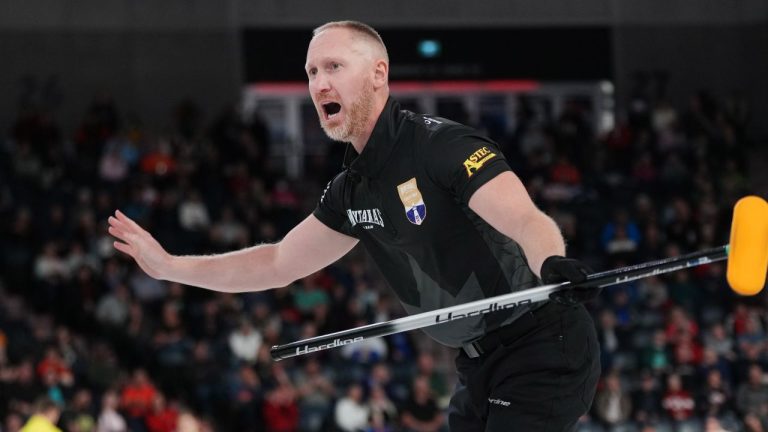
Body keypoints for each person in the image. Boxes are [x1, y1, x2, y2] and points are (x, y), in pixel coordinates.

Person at [108, 20, 600, 431]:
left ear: (378, 73)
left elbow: (523, 218)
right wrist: (171, 267)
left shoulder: (440, 147)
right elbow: (277, 262)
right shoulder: (350, 191)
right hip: (479, 364)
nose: (319, 83)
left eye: (334, 67)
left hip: (541, 342)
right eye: (311, 72)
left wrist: (551, 262)